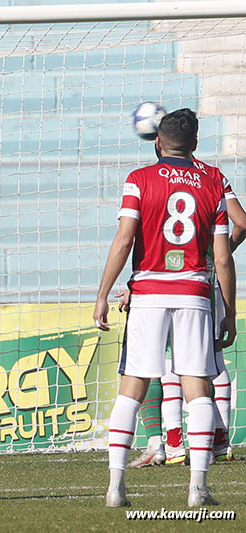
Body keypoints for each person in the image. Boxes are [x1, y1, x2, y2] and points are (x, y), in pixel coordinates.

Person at [94, 108, 233, 508]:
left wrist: (103, 294)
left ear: (157, 141)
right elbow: (222, 259)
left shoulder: (138, 179)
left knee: (132, 389)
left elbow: (123, 241)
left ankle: (116, 486)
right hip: (193, 295)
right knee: (198, 391)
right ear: (195, 145)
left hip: (149, 295)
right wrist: (229, 311)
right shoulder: (213, 181)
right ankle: (198, 488)